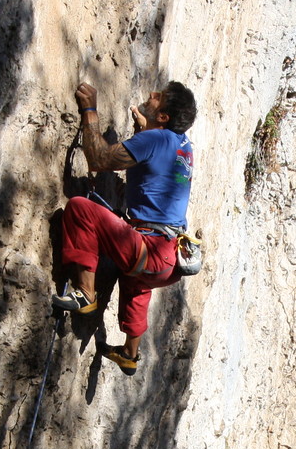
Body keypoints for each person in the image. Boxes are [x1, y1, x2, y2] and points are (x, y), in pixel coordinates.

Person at [52, 79, 197, 375]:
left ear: (163, 116)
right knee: (136, 284)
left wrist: (90, 110)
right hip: (169, 259)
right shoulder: (182, 144)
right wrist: (145, 129)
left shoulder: (155, 139)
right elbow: (155, 164)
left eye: (159, 97)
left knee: (80, 208)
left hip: (150, 250)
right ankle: (130, 354)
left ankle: (85, 294)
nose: (152, 94)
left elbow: (99, 159)